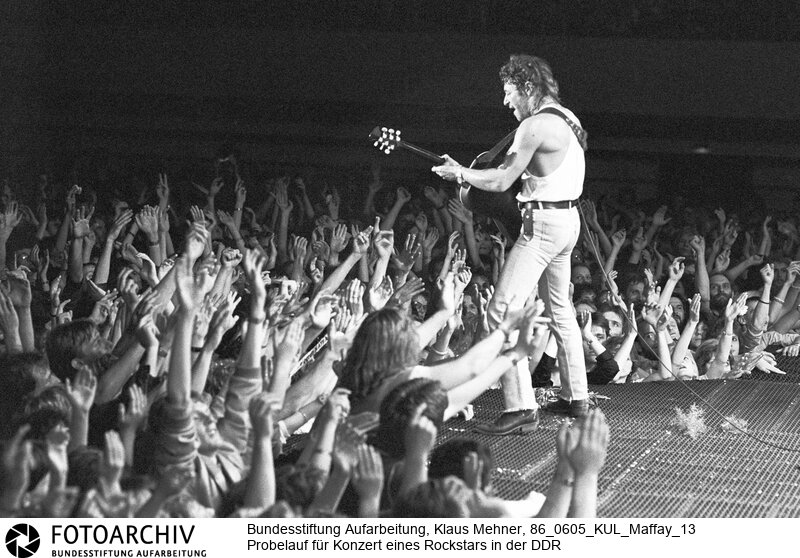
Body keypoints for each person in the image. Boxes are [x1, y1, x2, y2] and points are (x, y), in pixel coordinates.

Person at [433, 53, 589, 433]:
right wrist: (465, 173)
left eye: (509, 93)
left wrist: (461, 173)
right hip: (567, 222)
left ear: (528, 88)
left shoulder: (534, 126)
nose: (506, 102)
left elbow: (503, 181)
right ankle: (576, 398)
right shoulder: (570, 119)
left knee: (501, 313)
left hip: (543, 227)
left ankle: (521, 407)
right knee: (559, 310)